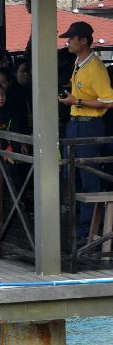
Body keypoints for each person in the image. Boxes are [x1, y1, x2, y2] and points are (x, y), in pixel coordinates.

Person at [58, 21, 113, 238]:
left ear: (83, 40)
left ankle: (87, 230)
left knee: (88, 176)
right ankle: (80, 225)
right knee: (72, 174)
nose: (68, 41)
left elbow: (109, 101)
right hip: (75, 124)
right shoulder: (79, 61)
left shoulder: (95, 67)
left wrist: (77, 101)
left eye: (71, 38)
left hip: (89, 125)